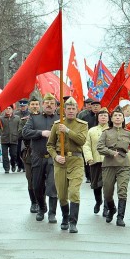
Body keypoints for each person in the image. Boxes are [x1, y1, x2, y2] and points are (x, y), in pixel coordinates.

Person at [46, 97, 88, 233]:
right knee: (62, 195)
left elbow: (81, 140)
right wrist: (56, 156)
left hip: (76, 161)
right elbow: (50, 145)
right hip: (60, 163)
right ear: (64, 110)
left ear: (77, 110)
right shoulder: (57, 124)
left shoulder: (82, 125)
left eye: (73, 109)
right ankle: (65, 216)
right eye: (68, 109)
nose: (70, 111)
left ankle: (73, 222)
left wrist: (68, 131)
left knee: (74, 192)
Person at [97, 106, 130, 226]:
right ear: (111, 119)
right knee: (107, 192)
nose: (117, 118)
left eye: (120, 116)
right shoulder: (106, 133)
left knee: (122, 191)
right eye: (115, 116)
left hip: (123, 164)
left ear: (123, 119)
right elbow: (99, 147)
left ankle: (120, 217)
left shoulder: (128, 133)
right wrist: (111, 152)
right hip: (109, 164)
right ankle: (112, 209)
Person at [23, 93, 58, 221]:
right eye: (47, 103)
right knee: (37, 186)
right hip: (38, 156)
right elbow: (25, 132)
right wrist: (41, 133)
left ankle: (52, 213)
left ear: (55, 106)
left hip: (53, 157)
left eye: (52, 104)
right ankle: (42, 208)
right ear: (42, 105)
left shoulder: (60, 119)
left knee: (53, 185)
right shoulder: (34, 119)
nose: (49, 106)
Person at [82, 107, 110, 216]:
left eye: (105, 116)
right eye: (101, 115)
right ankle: (98, 201)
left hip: (108, 162)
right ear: (98, 118)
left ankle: (107, 207)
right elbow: (86, 145)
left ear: (108, 118)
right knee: (96, 185)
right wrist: (89, 158)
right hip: (95, 161)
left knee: (107, 185)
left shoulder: (111, 130)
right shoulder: (91, 130)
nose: (103, 117)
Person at [20, 97, 41, 213]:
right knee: (30, 179)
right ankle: (33, 202)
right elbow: (21, 134)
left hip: (42, 152)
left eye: (37, 104)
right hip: (29, 153)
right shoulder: (24, 120)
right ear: (29, 106)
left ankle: (41, 201)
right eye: (32, 104)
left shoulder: (44, 118)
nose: (34, 106)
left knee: (42, 179)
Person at [0, 106, 20, 173]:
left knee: (13, 154)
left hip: (14, 138)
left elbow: (19, 127)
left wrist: (18, 135)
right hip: (5, 138)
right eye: (6, 108)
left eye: (9, 108)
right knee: (4, 154)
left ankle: (13, 164)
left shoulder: (17, 118)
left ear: (12, 110)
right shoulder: (1, 118)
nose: (8, 110)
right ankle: (6, 168)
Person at [14, 99, 30, 172]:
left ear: (27, 106)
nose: (22, 107)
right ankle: (19, 165)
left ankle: (24, 166)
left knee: (26, 151)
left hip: (27, 136)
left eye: (24, 106)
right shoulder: (17, 114)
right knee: (18, 152)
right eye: (21, 106)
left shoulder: (30, 114)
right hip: (19, 136)